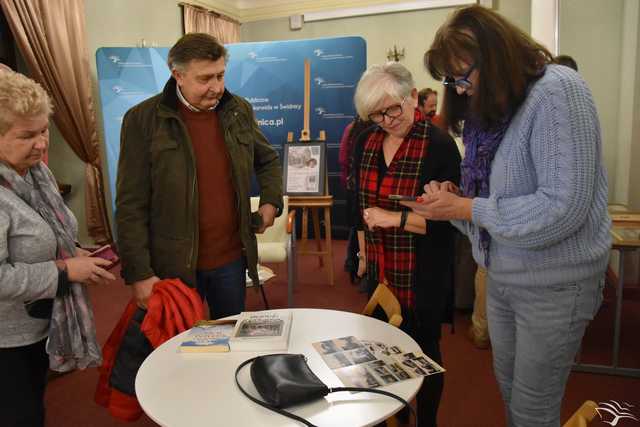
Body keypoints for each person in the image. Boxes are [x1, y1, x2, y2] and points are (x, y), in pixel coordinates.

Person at [404, 6, 610, 426]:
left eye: (464, 77)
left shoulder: (557, 91)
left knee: (534, 409)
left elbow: (562, 208)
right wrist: (453, 204)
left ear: (494, 55)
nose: (460, 91)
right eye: (453, 81)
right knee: (513, 396)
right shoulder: (496, 111)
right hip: (503, 279)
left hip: (554, 285)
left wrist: (467, 207)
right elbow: (496, 211)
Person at [116, 33, 283, 320]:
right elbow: (130, 205)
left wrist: (270, 201)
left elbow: (267, 159)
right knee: (176, 349)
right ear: (177, 75)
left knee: (228, 340)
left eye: (220, 76)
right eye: (205, 79)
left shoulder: (238, 111)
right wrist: (139, 274)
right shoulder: (142, 120)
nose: (216, 87)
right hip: (174, 266)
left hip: (231, 260)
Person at [0, 70, 115, 427]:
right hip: (7, 341)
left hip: (38, 325)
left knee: (33, 406)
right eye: (27, 135)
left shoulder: (36, 172)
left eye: (44, 130)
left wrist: (75, 252)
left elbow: (49, 233)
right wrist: (64, 271)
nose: (42, 144)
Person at [350, 62, 461, 427]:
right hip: (381, 267)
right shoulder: (367, 140)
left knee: (423, 354)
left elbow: (448, 224)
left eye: (393, 108)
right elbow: (360, 203)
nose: (387, 119)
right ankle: (387, 415)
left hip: (422, 273)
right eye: (377, 113)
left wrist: (393, 217)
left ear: (413, 97)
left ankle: (425, 421)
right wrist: (364, 251)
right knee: (380, 351)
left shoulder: (440, 146)